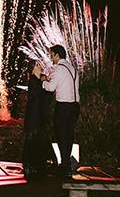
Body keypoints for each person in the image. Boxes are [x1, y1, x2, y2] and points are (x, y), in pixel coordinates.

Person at [42, 44, 80, 177]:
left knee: (61, 135)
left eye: (51, 54)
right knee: (69, 136)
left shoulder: (58, 69)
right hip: (75, 106)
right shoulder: (72, 68)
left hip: (63, 106)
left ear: (57, 55)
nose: (50, 57)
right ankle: (66, 164)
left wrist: (43, 81)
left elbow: (51, 88)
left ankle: (64, 167)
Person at [23, 60, 51, 181]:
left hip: (38, 116)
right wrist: (44, 82)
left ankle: (36, 164)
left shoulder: (37, 81)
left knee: (37, 139)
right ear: (33, 69)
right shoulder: (33, 82)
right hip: (34, 116)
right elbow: (38, 95)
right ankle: (30, 164)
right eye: (38, 66)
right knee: (33, 139)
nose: (40, 67)